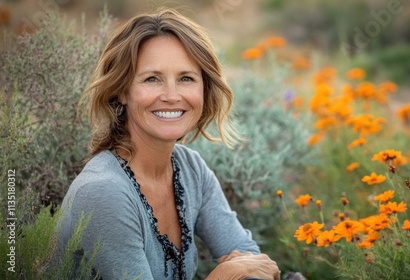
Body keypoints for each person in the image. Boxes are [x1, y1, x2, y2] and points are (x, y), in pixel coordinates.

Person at [56, 8, 280, 280]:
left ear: (203, 88)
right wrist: (229, 272)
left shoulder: (190, 168)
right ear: (121, 91)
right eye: (152, 79)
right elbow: (241, 267)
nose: (172, 96)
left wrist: (243, 268)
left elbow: (252, 261)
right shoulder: (104, 192)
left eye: (186, 78)